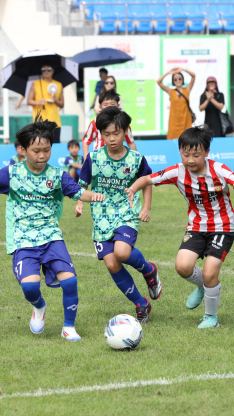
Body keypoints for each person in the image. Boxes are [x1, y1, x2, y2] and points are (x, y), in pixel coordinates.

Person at [0, 117, 104, 341]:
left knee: (70, 281)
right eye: (36, 151)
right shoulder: (12, 174)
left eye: (46, 149)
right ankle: (39, 308)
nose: (42, 155)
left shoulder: (57, 175)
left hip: (51, 236)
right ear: (23, 150)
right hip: (23, 239)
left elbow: (79, 192)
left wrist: (97, 196)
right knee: (30, 288)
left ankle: (69, 327)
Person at [125, 126, 234, 329]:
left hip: (223, 227)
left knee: (209, 272)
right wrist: (133, 189)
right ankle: (201, 288)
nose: (190, 160)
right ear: (179, 152)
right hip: (196, 226)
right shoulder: (177, 171)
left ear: (206, 152)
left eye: (196, 155)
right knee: (182, 266)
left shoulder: (218, 170)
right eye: (185, 154)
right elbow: (147, 179)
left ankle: (210, 317)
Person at [74, 107, 162, 324]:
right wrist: (80, 203)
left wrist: (146, 208)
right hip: (101, 217)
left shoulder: (136, 159)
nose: (111, 138)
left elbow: (148, 182)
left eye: (116, 133)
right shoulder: (93, 158)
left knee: (122, 252)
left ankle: (149, 270)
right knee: (112, 264)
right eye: (106, 134)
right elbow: (82, 184)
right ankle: (141, 304)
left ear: (125, 132)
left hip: (126, 212)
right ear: (100, 134)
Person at [82, 91, 136, 155]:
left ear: (118, 105)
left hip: (118, 159)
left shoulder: (123, 122)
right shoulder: (95, 122)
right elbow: (85, 141)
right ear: (100, 107)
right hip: (99, 160)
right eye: (105, 104)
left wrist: (136, 159)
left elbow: (130, 142)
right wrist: (86, 159)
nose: (109, 106)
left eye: (112, 104)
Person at [27, 64, 64, 143]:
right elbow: (29, 101)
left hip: (55, 121)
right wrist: (38, 102)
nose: (46, 71)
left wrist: (56, 100)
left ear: (53, 70)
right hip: (40, 122)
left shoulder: (59, 84)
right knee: (41, 145)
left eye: (49, 69)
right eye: (43, 70)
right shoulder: (35, 84)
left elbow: (62, 104)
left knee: (55, 145)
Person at [157, 67, 196, 140]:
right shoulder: (170, 91)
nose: (178, 80)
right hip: (174, 121)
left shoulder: (187, 89)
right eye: (175, 79)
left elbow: (193, 76)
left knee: (187, 140)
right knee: (173, 140)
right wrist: (168, 72)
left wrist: (183, 69)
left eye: (180, 78)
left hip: (186, 120)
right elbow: (158, 81)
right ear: (173, 81)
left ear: (183, 80)